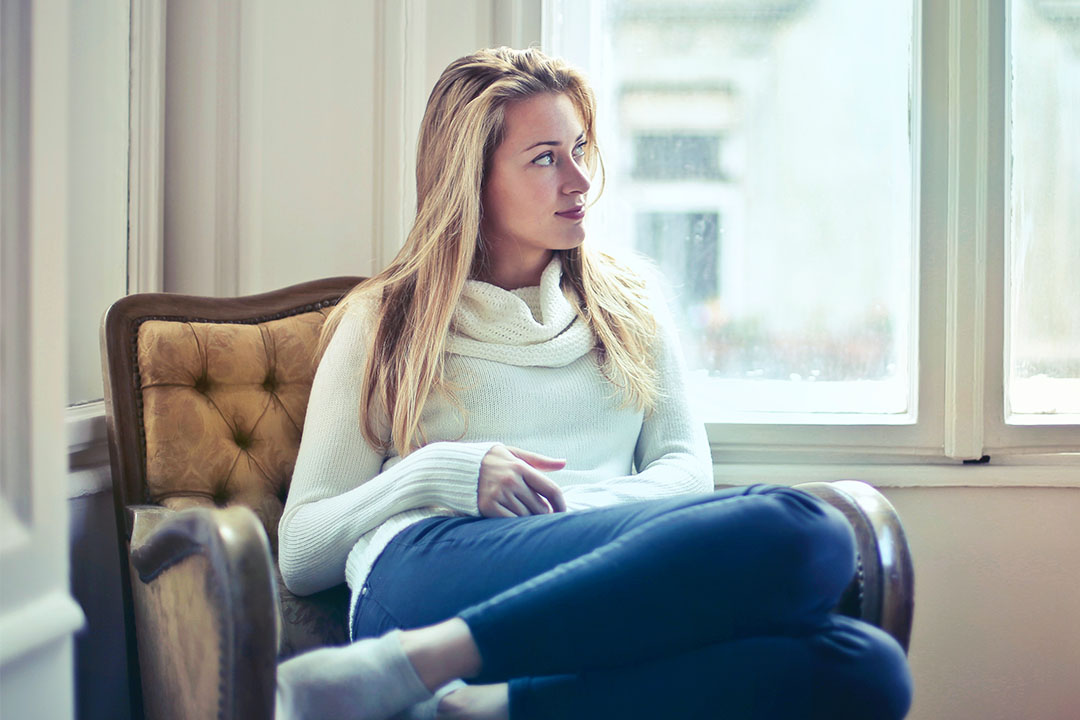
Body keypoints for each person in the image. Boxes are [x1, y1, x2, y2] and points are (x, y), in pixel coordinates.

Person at [276, 47, 912, 720]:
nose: (580, 180)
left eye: (580, 149)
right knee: (807, 529)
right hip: (429, 569)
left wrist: (577, 516)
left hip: (602, 560)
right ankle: (408, 663)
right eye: (546, 158)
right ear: (472, 181)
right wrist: (441, 472)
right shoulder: (385, 320)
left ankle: (477, 708)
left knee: (866, 667)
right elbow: (302, 551)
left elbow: (684, 471)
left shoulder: (629, 300)